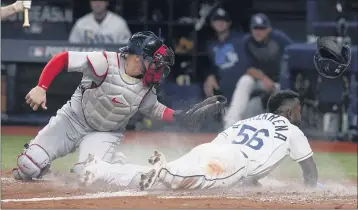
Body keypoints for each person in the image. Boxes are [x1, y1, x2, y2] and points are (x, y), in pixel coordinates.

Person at [12, 31, 226, 181]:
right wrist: (41, 87)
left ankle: (114, 162)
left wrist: (180, 116)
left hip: (105, 132)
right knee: (28, 166)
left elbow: (155, 109)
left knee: (88, 175)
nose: (159, 69)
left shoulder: (146, 86)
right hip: (73, 119)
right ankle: (42, 162)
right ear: (137, 57)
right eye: (155, 62)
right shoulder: (104, 62)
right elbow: (62, 59)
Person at [79, 90, 319, 190]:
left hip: (212, 150)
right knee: (174, 180)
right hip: (235, 162)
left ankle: (105, 169)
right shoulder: (293, 131)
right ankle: (162, 169)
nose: (300, 114)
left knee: (169, 176)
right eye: (298, 109)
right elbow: (310, 175)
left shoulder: (249, 120)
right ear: (288, 112)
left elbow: (220, 145)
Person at [224, 13, 294, 129]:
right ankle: (230, 124)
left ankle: (284, 130)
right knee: (245, 81)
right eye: (255, 28)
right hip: (260, 81)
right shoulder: (246, 41)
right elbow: (246, 68)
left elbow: (294, 55)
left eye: (262, 28)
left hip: (279, 83)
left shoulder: (279, 38)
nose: (258, 32)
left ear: (269, 29)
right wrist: (264, 79)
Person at [203, 7, 247, 102]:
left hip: (241, 88)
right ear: (212, 23)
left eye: (224, 20)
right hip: (222, 92)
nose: (220, 23)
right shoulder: (211, 44)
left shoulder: (241, 39)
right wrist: (210, 76)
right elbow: (212, 66)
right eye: (217, 20)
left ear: (229, 23)